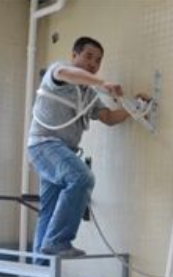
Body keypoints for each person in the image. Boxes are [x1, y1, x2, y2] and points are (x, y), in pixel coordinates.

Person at [28, 36, 139, 258]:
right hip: (44, 145)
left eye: (98, 60)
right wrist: (101, 83)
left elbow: (108, 117)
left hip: (61, 152)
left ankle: (42, 270)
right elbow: (67, 74)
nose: (93, 64)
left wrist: (136, 106)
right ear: (74, 55)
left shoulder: (89, 94)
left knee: (49, 210)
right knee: (81, 178)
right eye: (88, 56)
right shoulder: (58, 71)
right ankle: (58, 241)